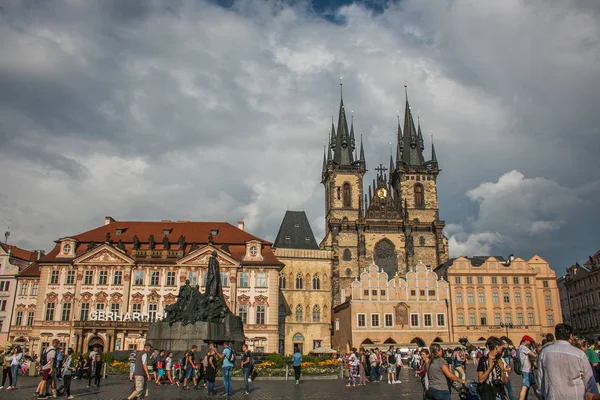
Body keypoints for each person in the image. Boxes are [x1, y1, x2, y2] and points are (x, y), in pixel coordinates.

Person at [538, 323, 599, 400]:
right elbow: (589, 380)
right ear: (570, 336)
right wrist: (594, 395)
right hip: (576, 396)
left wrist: (543, 394)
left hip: (553, 396)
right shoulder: (579, 354)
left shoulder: (545, 352)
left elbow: (541, 377)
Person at [517, 335, 537, 400]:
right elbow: (534, 355)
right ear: (525, 340)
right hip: (526, 370)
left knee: (534, 386)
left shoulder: (519, 347)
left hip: (526, 370)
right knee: (524, 387)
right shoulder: (524, 348)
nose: (529, 342)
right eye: (529, 341)